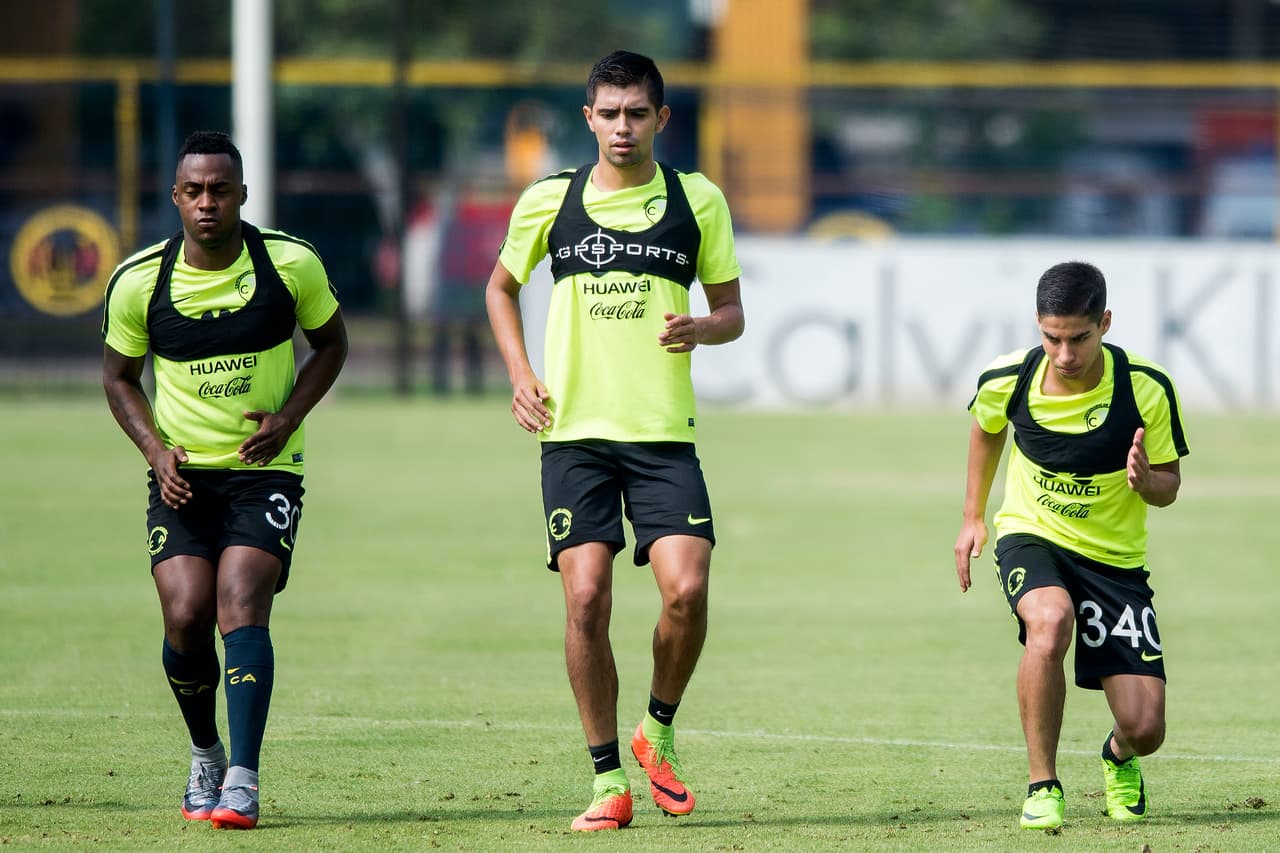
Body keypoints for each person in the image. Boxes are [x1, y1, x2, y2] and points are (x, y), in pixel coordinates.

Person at [485, 51, 744, 831]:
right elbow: (500, 288)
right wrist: (521, 373)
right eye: (609, 112)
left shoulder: (697, 202)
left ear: (661, 119)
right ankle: (607, 780)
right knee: (587, 596)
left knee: (686, 590)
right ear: (588, 117)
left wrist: (705, 326)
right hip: (574, 437)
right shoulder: (547, 202)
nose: (622, 126)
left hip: (662, 435)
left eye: (637, 113)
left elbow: (732, 312)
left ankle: (656, 728)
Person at [101, 130, 347, 830]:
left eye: (221, 189)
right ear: (175, 196)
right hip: (181, 479)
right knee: (184, 614)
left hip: (264, 474)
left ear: (243, 194)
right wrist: (154, 450)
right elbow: (118, 379)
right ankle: (205, 750)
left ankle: (242, 776)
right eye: (194, 190)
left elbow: (332, 345)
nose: (208, 202)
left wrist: (288, 418)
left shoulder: (289, 264)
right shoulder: (140, 282)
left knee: (239, 600)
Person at [953, 261, 1189, 830]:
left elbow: (1170, 487)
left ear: (1104, 322)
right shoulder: (1006, 378)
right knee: (1049, 621)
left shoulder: (1146, 388)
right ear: (1038, 325)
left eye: (1078, 338)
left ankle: (1117, 756)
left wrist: (1144, 481)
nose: (1064, 353)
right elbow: (988, 429)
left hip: (1114, 560)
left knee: (1146, 729)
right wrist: (972, 516)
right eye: (1051, 337)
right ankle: (1042, 784)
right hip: (1032, 535)